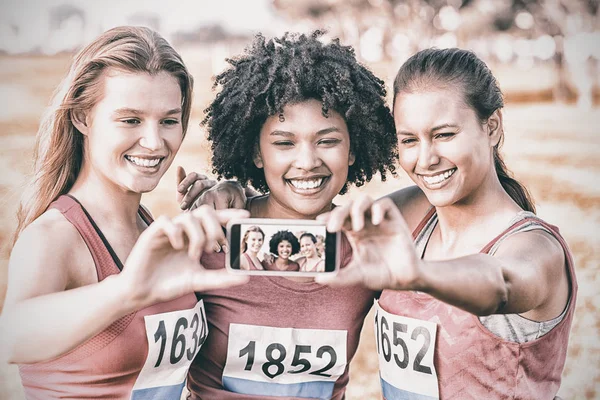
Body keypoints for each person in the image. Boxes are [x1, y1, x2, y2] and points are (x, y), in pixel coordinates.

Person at [0, 26, 249, 399]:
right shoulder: (55, 236)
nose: (153, 142)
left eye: (168, 120)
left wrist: (242, 196)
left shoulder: (148, 226)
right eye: (130, 120)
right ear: (83, 117)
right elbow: (14, 338)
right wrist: (127, 289)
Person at [318, 48, 576, 399]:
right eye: (409, 140)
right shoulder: (409, 213)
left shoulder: (536, 247)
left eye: (444, 135)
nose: (426, 159)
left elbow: (500, 284)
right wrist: (227, 196)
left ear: (493, 126)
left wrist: (418, 275)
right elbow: (312, 234)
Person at [186, 31, 398, 399]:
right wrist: (223, 190)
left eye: (328, 141)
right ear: (256, 153)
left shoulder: (369, 245)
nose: (307, 162)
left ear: (353, 148)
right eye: (284, 143)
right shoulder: (213, 235)